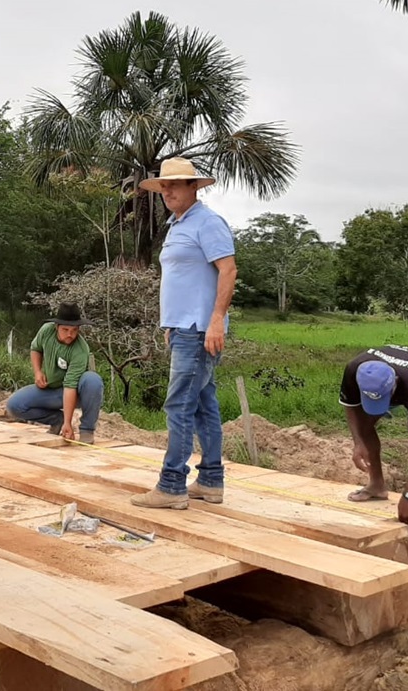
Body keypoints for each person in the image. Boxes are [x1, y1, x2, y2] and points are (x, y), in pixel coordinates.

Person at [129, 157, 237, 510]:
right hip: (183, 328)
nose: (167, 191)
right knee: (205, 406)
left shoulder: (207, 222)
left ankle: (172, 484)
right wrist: (169, 325)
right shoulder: (177, 225)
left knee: (179, 405)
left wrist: (217, 319)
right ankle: (210, 481)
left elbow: (228, 270)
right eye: (164, 186)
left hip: (199, 330)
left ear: (194, 187)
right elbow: (182, 281)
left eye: (175, 184)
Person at [339, 345, 408, 526]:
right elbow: (351, 407)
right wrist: (358, 443)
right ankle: (377, 486)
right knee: (364, 426)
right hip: (395, 378)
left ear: (395, 383)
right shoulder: (354, 369)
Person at [6, 303, 103, 444]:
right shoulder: (46, 331)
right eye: (65, 330)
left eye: (74, 330)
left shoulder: (80, 350)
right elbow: (35, 348)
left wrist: (68, 423)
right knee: (15, 405)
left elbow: (70, 386)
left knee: (93, 380)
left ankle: (87, 430)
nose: (70, 334)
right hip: (52, 390)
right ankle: (56, 420)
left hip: (76, 392)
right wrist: (38, 372)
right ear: (56, 327)